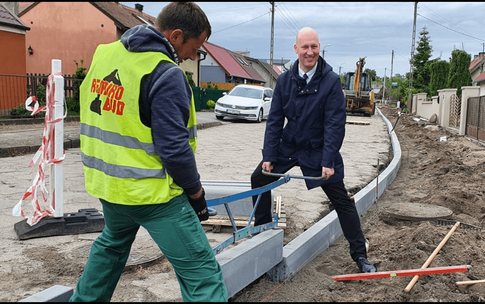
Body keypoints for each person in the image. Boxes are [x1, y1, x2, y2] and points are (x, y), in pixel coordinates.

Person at [70, 2, 228, 302]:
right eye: (196, 48)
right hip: (153, 196)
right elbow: (174, 150)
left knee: (111, 247)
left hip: (110, 188)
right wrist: (196, 194)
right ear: (177, 36)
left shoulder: (105, 55)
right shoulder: (164, 73)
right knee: (202, 276)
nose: (194, 56)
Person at [250, 27, 376, 273]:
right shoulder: (285, 81)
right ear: (296, 49)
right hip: (289, 146)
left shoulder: (330, 82)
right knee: (259, 179)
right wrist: (268, 156)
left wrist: (328, 161)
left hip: (318, 150)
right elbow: (275, 121)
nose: (310, 52)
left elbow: (334, 126)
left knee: (342, 200)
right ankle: (262, 236)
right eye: (305, 47)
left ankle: (360, 256)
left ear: (319, 48)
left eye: (314, 47)